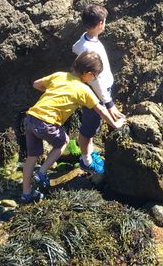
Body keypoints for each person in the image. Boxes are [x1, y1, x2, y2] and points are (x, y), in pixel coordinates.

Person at [20, 51, 126, 204]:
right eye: (95, 76)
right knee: (63, 142)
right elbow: (101, 109)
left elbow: (36, 84)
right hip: (46, 122)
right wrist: (115, 124)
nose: (94, 79)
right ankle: (42, 172)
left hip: (30, 118)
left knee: (31, 157)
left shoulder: (59, 75)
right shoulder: (83, 89)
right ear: (88, 74)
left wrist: (54, 92)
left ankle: (26, 194)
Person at [72, 4, 124, 176]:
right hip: (97, 92)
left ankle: (90, 153)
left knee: (92, 127)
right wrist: (109, 103)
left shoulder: (86, 39)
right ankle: (86, 162)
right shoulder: (90, 49)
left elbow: (75, 47)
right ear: (100, 23)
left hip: (99, 89)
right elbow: (97, 82)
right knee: (88, 128)